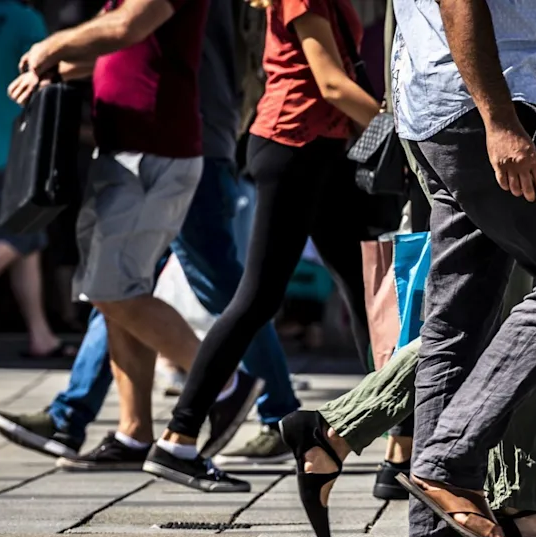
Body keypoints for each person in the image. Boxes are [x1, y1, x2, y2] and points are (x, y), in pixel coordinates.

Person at [321, 0, 536, 537]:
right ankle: (448, 464)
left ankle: (438, 535)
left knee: (458, 322)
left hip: (435, 111)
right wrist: (500, 121)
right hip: (489, 109)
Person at [0, 0, 304, 468]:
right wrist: (60, 64)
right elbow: (123, 47)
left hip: (163, 147)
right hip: (136, 146)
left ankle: (230, 388)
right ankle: (127, 431)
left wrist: (52, 44)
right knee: (116, 290)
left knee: (131, 288)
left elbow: (134, 26)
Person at [142, 0, 381, 492]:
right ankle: (177, 438)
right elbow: (330, 81)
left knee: (367, 290)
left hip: (326, 149)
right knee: (258, 298)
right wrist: (401, 134)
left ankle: (403, 445)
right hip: (293, 146)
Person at [0, 0, 72, 360]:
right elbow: (50, 72)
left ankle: (40, 334)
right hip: (8, 146)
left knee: (28, 244)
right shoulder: (24, 20)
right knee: (21, 235)